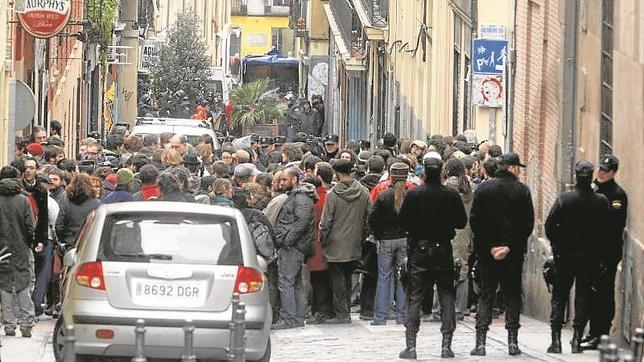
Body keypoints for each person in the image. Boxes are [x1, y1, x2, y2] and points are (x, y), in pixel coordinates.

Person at [397, 158, 467, 359]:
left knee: (415, 297)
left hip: (419, 250)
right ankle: (446, 345)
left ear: (425, 173)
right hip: (443, 250)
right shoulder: (451, 195)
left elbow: (402, 223)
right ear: (442, 172)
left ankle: (411, 346)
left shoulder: (414, 194)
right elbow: (461, 222)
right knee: (446, 296)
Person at [469, 152, 534, 356]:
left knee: (486, 294)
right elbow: (527, 225)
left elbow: (476, 222)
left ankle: (480, 342)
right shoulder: (522, 191)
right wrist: (509, 247)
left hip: (488, 254)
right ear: (512, 168)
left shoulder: (483, 189)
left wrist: (490, 247)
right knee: (512, 294)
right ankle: (512, 342)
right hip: (512, 254)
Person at [544, 161, 611, 354]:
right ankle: (576, 340)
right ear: (591, 177)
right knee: (583, 298)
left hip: (564, 256)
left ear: (575, 176)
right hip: (589, 257)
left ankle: (556, 341)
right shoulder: (601, 202)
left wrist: (557, 246)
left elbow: (549, 226)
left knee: (559, 297)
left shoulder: (565, 199)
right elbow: (606, 233)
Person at [581, 154, 629, 350]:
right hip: (589, 251)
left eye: (605, 171)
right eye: (600, 169)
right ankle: (591, 332)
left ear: (613, 173)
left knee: (603, 295)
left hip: (606, 253)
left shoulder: (617, 195)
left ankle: (601, 334)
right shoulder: (591, 188)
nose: (600, 173)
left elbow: (613, 225)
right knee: (589, 294)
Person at [320, 159, 370, 324]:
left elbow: (326, 222)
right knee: (348, 278)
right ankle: (345, 310)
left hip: (335, 243)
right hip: (354, 242)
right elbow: (369, 217)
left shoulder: (333, 195)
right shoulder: (363, 192)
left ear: (336, 173)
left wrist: (323, 239)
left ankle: (342, 314)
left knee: (337, 280)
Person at [272, 167, 317, 329]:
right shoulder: (297, 197)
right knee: (295, 281)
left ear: (295, 179)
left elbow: (301, 224)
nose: (281, 183)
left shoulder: (301, 198)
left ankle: (290, 318)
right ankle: (296, 317)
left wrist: (286, 240)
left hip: (294, 246)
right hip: (295, 244)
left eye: (285, 180)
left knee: (287, 281)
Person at [368, 162, 410, 326]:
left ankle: (380, 316)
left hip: (385, 240)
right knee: (403, 278)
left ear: (391, 176)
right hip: (405, 240)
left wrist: (378, 234)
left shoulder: (383, 195)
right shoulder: (410, 196)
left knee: (384, 278)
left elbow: (372, 218)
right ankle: (402, 316)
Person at [0, 166, 37, 337]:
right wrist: (28, 242)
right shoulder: (23, 200)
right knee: (22, 282)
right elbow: (30, 226)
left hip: (1, 247)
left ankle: (9, 325)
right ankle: (26, 323)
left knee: (5, 284)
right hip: (20, 246)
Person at [444, 159, 475, 320]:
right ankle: (460, 309)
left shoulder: (446, 188)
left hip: (448, 232)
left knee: (444, 270)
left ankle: (441, 309)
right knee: (463, 270)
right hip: (466, 233)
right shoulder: (471, 188)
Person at [307, 162, 334, 324]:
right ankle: (324, 309)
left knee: (318, 280)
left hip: (318, 243)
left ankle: (320, 310)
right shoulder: (329, 196)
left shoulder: (319, 199)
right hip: (327, 243)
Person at [56, 174, 102, 249]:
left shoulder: (66, 201)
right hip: (89, 242)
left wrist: (62, 239)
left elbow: (59, 224)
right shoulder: (97, 203)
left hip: (70, 241)